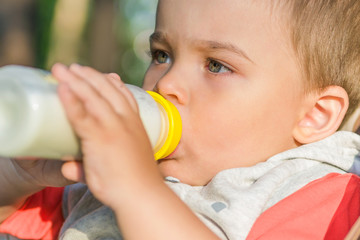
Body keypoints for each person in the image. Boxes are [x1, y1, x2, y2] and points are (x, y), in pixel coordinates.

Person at [1, 0, 360, 239]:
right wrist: (18, 176)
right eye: (162, 55)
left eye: (216, 65)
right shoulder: (100, 183)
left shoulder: (326, 200)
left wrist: (136, 190)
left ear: (314, 115)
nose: (167, 83)